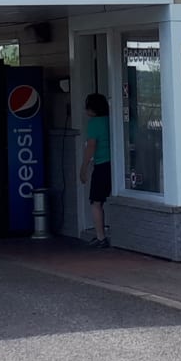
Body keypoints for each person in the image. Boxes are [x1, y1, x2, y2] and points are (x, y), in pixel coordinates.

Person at [79, 92, 112, 248]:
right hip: (114, 164)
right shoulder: (110, 120)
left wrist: (83, 167)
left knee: (96, 202)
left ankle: (101, 237)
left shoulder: (94, 123)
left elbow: (91, 146)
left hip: (101, 165)